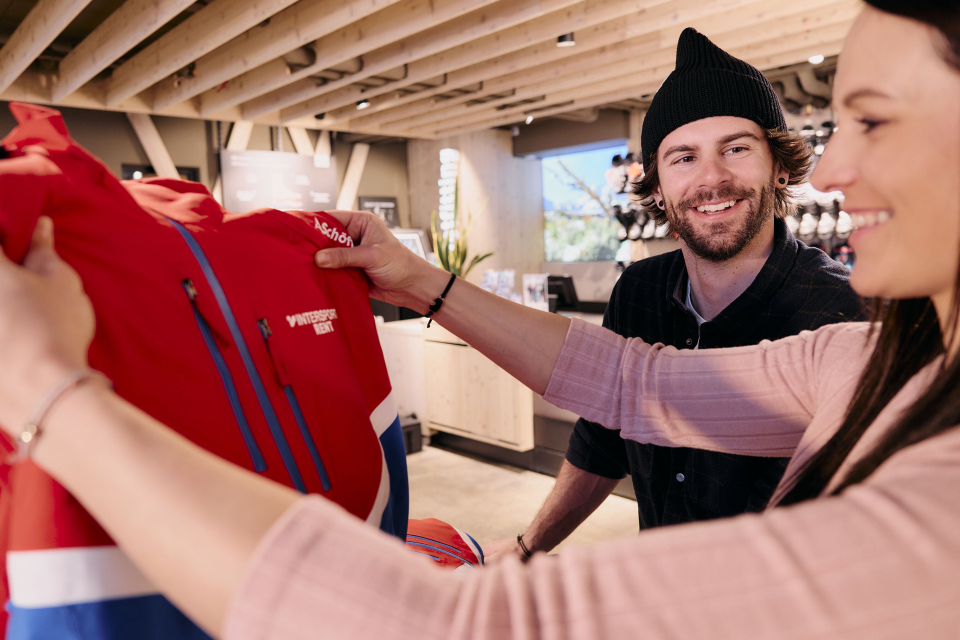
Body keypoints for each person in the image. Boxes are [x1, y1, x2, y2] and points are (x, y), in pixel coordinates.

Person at [0, 2, 957, 638]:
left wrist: (51, 391)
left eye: (873, 120)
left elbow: (450, 628)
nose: (831, 172)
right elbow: (633, 385)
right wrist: (419, 282)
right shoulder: (872, 359)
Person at [487, 28, 865, 562]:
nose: (712, 177)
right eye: (683, 157)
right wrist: (529, 547)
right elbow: (602, 438)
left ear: (780, 167)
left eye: (736, 148)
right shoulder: (639, 291)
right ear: (658, 188)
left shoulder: (842, 313)